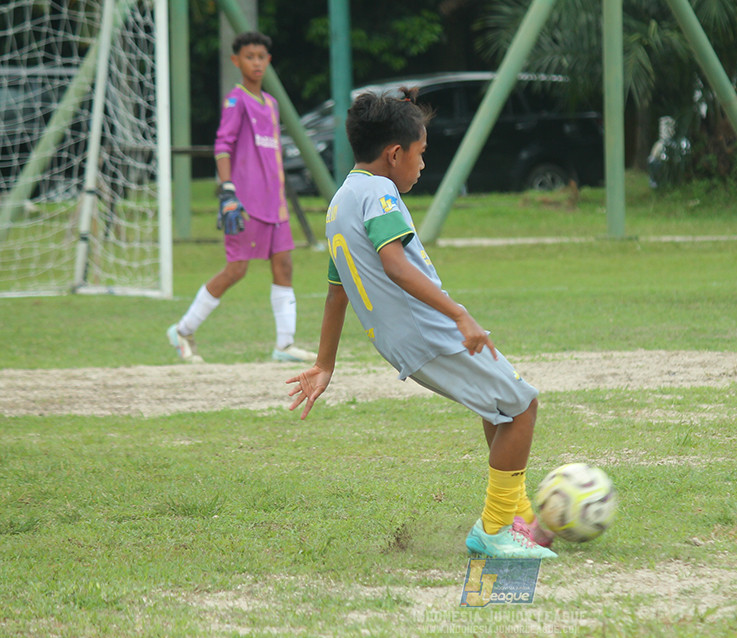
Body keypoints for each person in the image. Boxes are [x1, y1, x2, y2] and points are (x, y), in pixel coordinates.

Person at [285, 90, 555, 559]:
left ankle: (518, 516)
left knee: (500, 407)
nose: (423, 164)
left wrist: (324, 363)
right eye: (421, 153)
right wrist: (459, 313)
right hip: (426, 329)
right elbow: (394, 264)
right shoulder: (380, 192)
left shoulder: (340, 201)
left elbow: (336, 290)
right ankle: (495, 530)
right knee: (522, 407)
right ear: (395, 154)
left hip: (402, 338)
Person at [167, 31, 316, 364]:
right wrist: (228, 191)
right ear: (236, 61)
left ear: (269, 61)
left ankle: (285, 345)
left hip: (274, 204)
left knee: (284, 266)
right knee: (236, 270)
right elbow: (222, 146)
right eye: (249, 57)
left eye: (261, 57)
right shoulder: (236, 101)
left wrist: (281, 198)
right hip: (246, 204)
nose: (256, 63)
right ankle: (183, 329)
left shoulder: (272, 104)